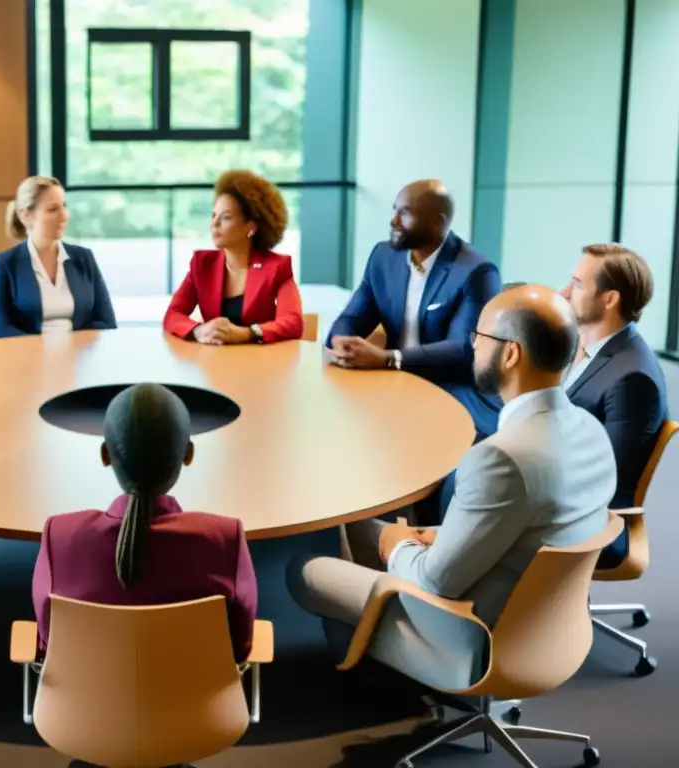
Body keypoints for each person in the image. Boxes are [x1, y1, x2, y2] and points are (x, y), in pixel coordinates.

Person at [288, 284, 616, 691]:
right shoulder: (590, 430)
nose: (473, 346)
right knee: (354, 525)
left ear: (510, 353)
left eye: (480, 337)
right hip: (547, 622)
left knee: (303, 570)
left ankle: (375, 655)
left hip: (470, 634)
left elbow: (437, 582)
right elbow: (535, 524)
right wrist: (435, 535)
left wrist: (399, 545)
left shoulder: (501, 458)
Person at [31, 383, 257, 661]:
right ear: (188, 454)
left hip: (88, 701)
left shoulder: (60, 536)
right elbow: (241, 647)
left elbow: (47, 641)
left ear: (105, 455)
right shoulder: (224, 538)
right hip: (196, 702)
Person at [324, 180, 502, 439]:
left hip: (450, 388)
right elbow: (353, 316)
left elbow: (463, 350)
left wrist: (389, 358)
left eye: (405, 213)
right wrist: (341, 340)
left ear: (437, 222)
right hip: (393, 382)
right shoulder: (383, 257)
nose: (394, 221)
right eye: (395, 210)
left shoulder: (476, 271)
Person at [561, 243, 668, 568]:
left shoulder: (633, 379)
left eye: (578, 284)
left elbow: (602, 477)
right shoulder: (588, 345)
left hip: (593, 520)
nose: (564, 292)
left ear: (610, 299)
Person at [164, 170, 304, 344]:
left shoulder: (277, 267)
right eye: (213, 215)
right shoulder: (202, 264)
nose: (214, 224)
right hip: (214, 364)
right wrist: (198, 330)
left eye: (226, 217)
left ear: (251, 227)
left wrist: (246, 333)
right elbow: (173, 315)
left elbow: (293, 323)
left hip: (263, 364)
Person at [0, 176, 117, 338]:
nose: (64, 216)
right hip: (28, 359)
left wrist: (73, 347)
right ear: (26, 216)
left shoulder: (84, 258)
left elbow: (107, 321)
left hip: (80, 357)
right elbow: (0, 329)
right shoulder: (6, 264)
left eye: (64, 206)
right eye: (53, 209)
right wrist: (45, 351)